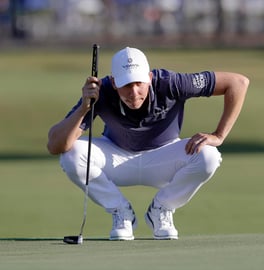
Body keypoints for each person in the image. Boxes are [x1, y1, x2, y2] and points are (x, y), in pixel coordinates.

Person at [47, 47, 249, 240]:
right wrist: (84, 107)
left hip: (164, 158)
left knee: (208, 155)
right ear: (114, 82)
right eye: (126, 85)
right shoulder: (101, 91)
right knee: (72, 154)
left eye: (139, 83)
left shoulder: (171, 83)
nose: (134, 92)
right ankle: (120, 211)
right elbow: (55, 146)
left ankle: (161, 209)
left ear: (150, 78)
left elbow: (238, 83)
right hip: (117, 158)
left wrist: (219, 135)